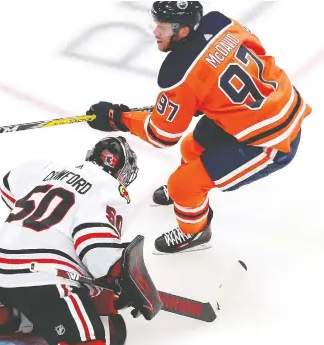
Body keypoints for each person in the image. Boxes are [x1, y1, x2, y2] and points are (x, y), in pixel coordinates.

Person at [85, 1, 312, 254]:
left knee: (183, 185)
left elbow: (162, 135)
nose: (155, 32)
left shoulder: (178, 72)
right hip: (269, 104)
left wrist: (118, 118)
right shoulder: (220, 23)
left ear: (183, 31)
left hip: (272, 140)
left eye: (163, 27)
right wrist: (207, 95)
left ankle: (195, 231)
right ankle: (191, 200)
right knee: (191, 146)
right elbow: (256, 50)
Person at [0, 136, 163, 345]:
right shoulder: (110, 192)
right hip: (44, 278)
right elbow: (98, 253)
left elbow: (8, 186)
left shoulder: (47, 169)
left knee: (32, 303)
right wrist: (123, 279)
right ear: (123, 175)